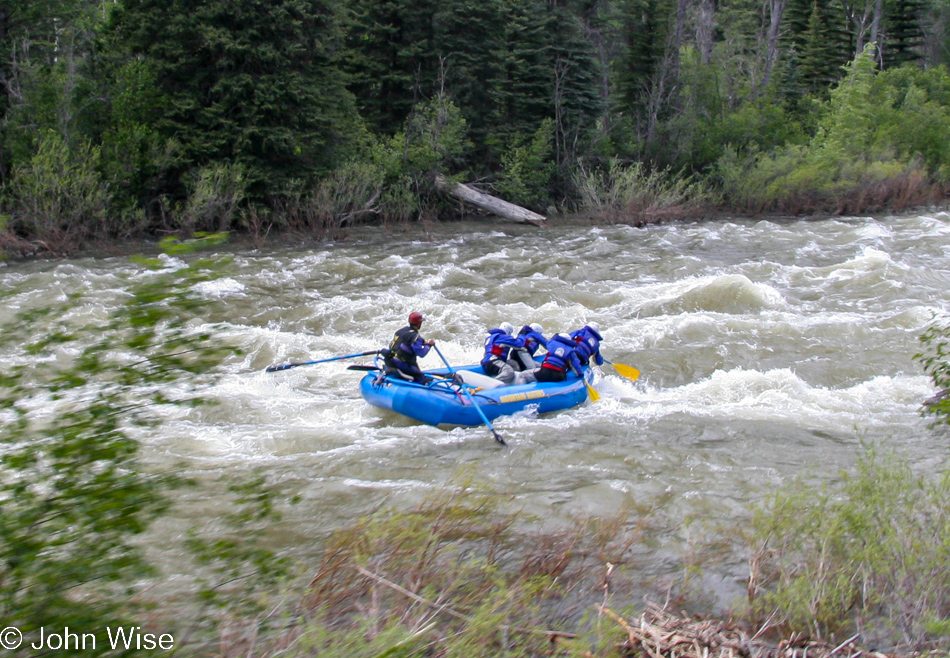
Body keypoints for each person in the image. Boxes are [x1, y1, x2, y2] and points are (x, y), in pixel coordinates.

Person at [382, 311, 435, 384]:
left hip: (390, 360)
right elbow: (421, 353)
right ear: (419, 323)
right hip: (400, 364)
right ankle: (418, 388)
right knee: (420, 377)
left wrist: (422, 341)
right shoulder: (415, 337)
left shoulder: (401, 331)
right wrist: (429, 345)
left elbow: (405, 341)